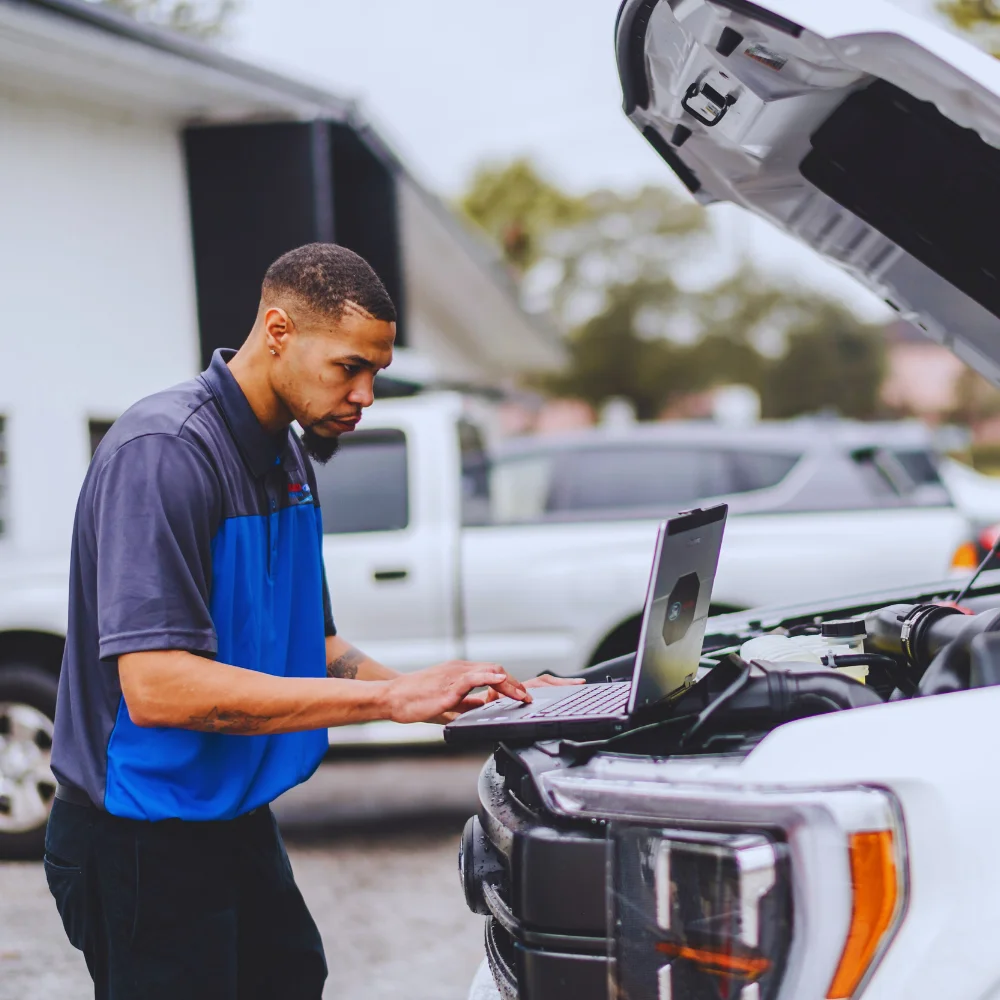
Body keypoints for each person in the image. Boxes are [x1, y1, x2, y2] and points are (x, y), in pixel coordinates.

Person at [45, 243, 580, 999]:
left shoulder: (288, 457)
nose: (366, 394)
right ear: (278, 331)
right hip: (140, 833)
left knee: (294, 975)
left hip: (233, 817)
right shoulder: (165, 452)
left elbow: (318, 646)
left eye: (376, 373)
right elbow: (159, 688)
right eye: (348, 367)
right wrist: (389, 702)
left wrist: (457, 697)